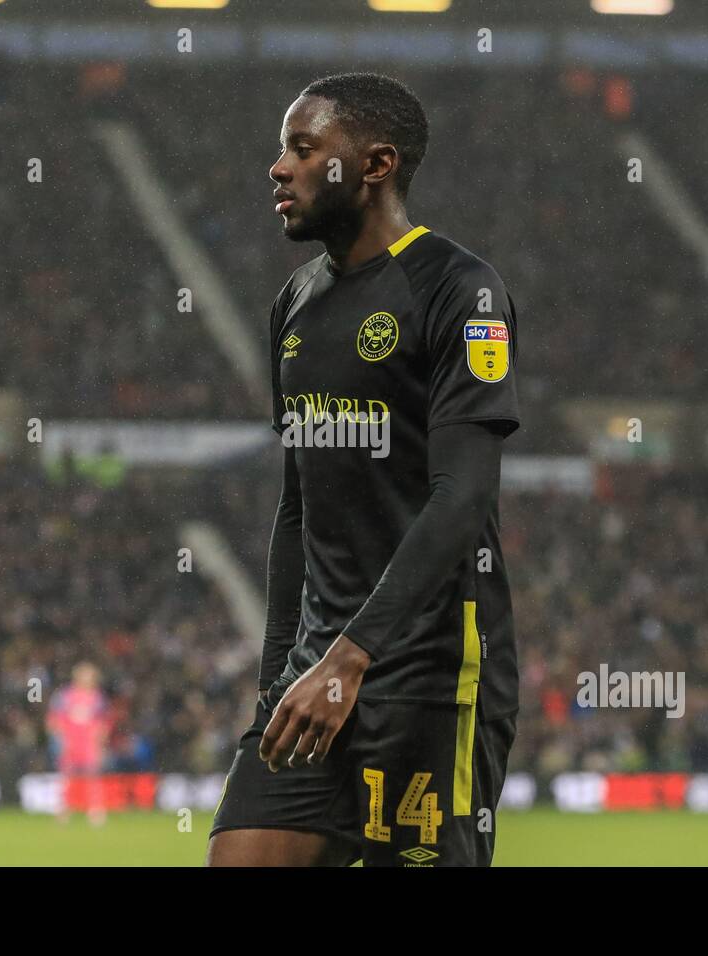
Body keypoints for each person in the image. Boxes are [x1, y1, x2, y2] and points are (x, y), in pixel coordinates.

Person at [207, 73, 521, 867]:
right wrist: (280, 674)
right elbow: (297, 508)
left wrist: (355, 656)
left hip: (426, 670)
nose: (279, 168)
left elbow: (463, 494)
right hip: (314, 673)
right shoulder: (295, 302)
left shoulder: (459, 290)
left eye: (304, 149)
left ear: (375, 164)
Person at [48, 662, 112, 826]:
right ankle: (63, 811)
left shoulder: (98, 698)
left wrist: (99, 744)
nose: (88, 679)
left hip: (89, 744)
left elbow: (104, 723)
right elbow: (54, 720)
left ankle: (95, 811)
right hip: (70, 744)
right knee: (67, 779)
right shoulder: (64, 696)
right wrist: (61, 740)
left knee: (93, 779)